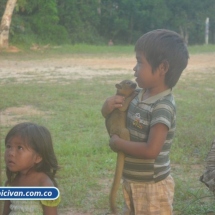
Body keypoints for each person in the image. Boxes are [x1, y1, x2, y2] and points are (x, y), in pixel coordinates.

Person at [101, 29, 189, 215]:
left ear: (163, 68)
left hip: (152, 186)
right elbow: (117, 117)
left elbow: (151, 150)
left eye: (140, 62)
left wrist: (119, 144)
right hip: (133, 180)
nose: (134, 68)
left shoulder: (162, 107)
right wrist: (107, 107)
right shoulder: (139, 95)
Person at [3, 122, 60, 215]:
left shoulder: (44, 185)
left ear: (38, 157)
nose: (11, 153)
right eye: (8, 146)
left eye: (20, 148)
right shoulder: (12, 182)